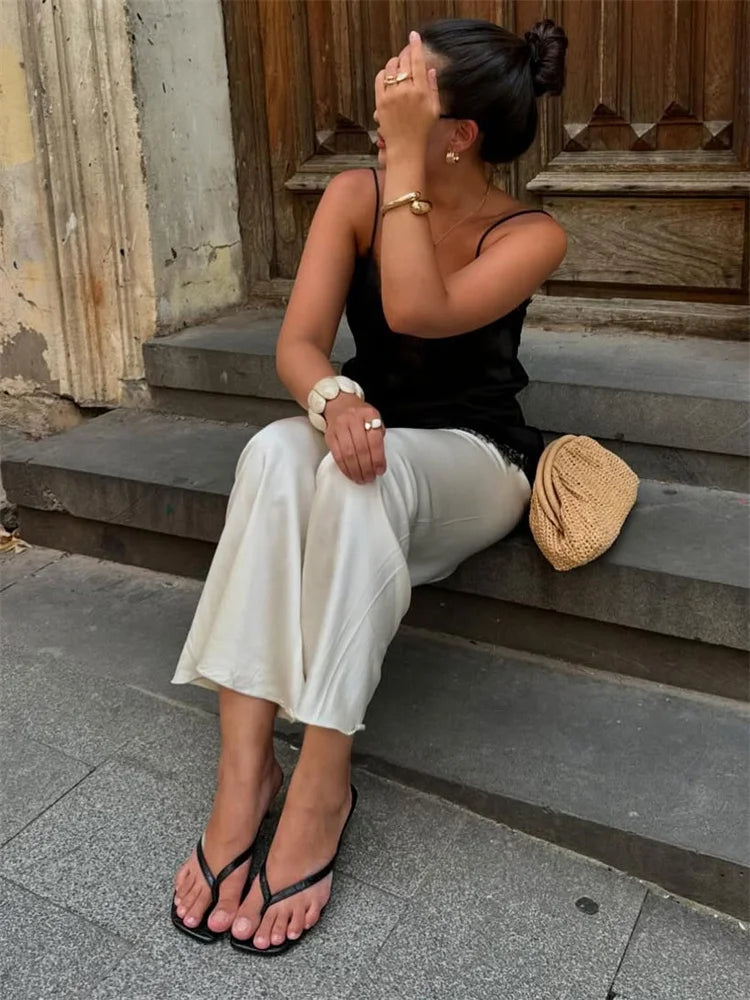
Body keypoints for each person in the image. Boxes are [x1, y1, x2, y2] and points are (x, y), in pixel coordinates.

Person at [170, 17, 568, 956]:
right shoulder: (352, 194)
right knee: (274, 454)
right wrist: (333, 396)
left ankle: (323, 783)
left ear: (458, 133)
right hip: (371, 437)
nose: (380, 95)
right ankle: (246, 773)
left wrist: (402, 172)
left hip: (476, 459)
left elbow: (414, 310)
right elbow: (299, 345)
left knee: (361, 482)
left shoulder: (533, 232)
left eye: (407, 88)